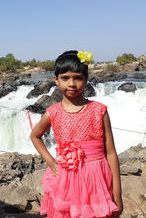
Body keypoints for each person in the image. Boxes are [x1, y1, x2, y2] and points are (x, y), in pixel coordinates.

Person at [30, 50, 123, 218]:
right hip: (67, 182)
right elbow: (35, 136)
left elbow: (111, 153)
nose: (71, 83)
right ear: (56, 80)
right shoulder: (53, 112)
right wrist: (51, 162)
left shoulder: (99, 111)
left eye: (78, 78)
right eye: (65, 78)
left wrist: (117, 193)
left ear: (86, 80)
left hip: (97, 180)